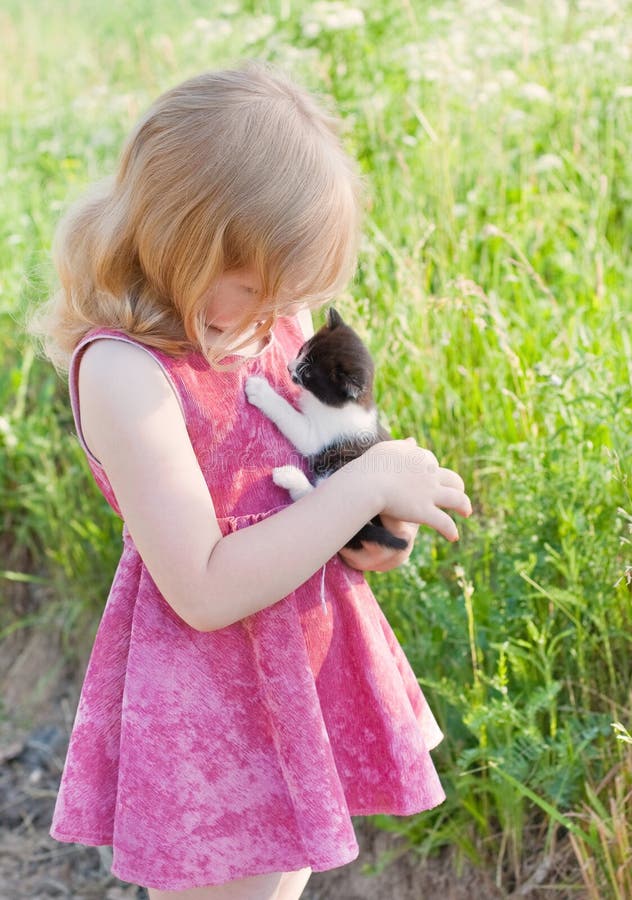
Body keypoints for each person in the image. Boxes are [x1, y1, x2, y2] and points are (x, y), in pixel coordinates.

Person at [29, 63, 472, 900]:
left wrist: (375, 528)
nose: (276, 312)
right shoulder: (125, 374)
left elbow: (307, 486)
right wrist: (367, 484)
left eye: (289, 293)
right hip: (208, 711)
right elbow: (201, 586)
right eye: (257, 284)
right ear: (185, 237)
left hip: (299, 675)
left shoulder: (268, 324)